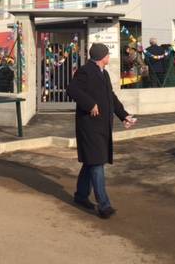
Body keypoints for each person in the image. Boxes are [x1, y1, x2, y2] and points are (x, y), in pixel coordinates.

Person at [67, 43, 136, 219]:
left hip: (101, 126)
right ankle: (104, 205)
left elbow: (111, 97)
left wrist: (124, 116)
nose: (109, 56)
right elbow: (72, 90)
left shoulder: (103, 73)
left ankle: (81, 196)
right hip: (89, 126)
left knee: (91, 162)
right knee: (97, 163)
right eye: (107, 54)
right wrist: (90, 104)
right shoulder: (86, 71)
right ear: (101, 56)